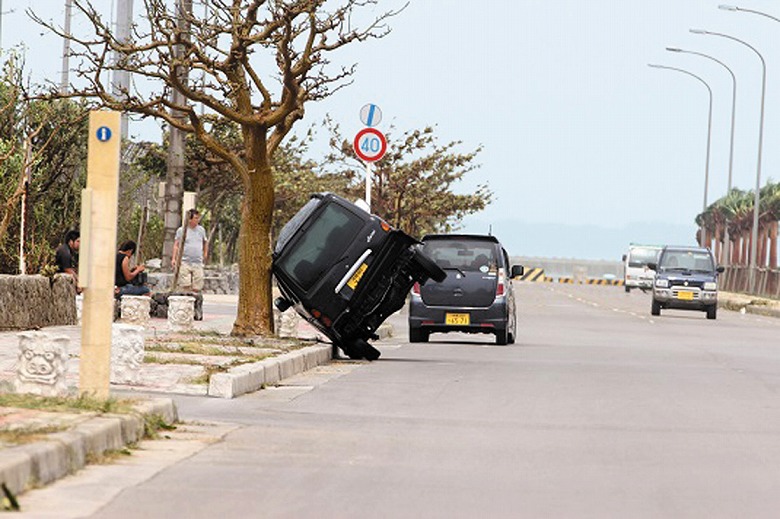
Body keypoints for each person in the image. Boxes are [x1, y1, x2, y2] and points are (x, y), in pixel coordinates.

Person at [172, 208, 209, 292]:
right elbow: (176, 245)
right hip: (184, 261)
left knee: (198, 284)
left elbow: (205, 242)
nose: (197, 220)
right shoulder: (181, 230)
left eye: (198, 218)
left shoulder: (201, 230)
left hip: (197, 261)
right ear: (190, 219)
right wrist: (174, 258)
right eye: (195, 218)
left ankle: (195, 299)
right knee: (185, 284)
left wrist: (205, 253)